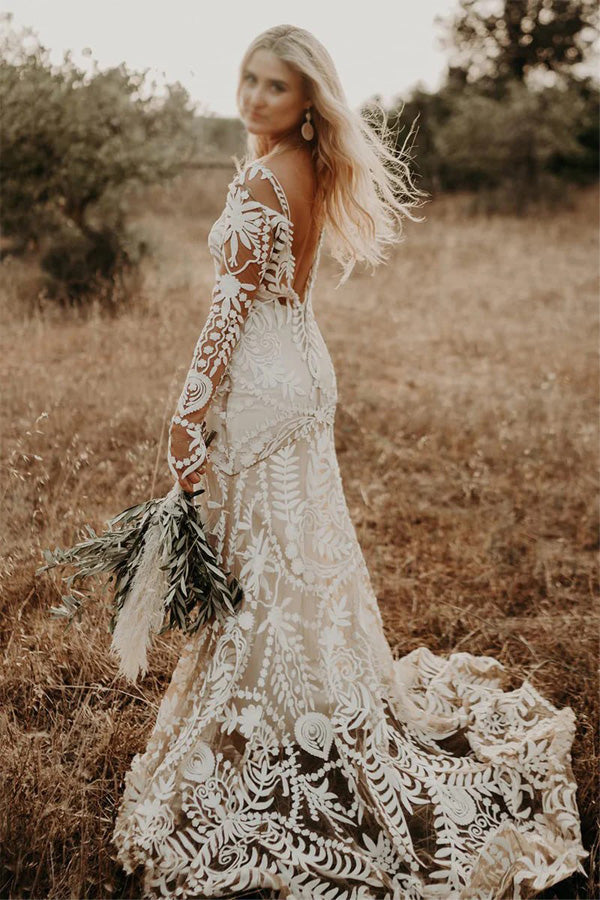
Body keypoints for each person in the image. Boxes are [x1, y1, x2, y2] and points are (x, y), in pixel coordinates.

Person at [111, 24, 588, 900]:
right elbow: (287, 287)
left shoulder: (261, 177)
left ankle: (279, 718)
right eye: (248, 79)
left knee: (263, 556)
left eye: (275, 88)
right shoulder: (308, 167)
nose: (254, 97)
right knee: (297, 550)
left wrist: (186, 415)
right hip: (303, 369)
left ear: (306, 105)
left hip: (263, 381)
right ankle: (307, 699)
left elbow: (228, 313)